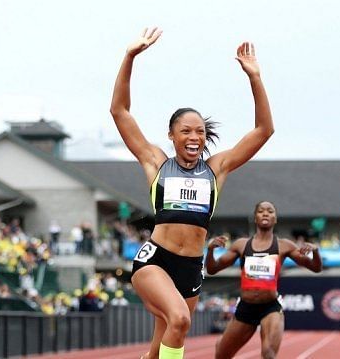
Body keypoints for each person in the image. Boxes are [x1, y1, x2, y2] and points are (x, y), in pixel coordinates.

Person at [110, 27, 274, 359]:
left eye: (200, 131)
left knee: (158, 351)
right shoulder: (156, 162)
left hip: (190, 268)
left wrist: (254, 77)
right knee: (181, 319)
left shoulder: (216, 168)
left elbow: (263, 130)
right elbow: (120, 112)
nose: (194, 136)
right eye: (186, 130)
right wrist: (129, 57)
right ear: (171, 135)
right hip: (156, 261)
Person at [205, 201, 322, 359]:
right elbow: (212, 269)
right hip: (246, 308)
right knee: (221, 353)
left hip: (270, 308)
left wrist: (316, 252)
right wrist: (210, 250)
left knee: (268, 353)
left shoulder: (284, 245)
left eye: (270, 211)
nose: (265, 213)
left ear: (275, 219)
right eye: (261, 211)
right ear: (255, 218)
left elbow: (315, 268)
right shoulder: (241, 245)